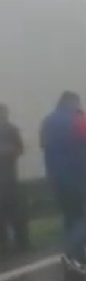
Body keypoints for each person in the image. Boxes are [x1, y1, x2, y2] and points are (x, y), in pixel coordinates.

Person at [40, 92, 86, 275]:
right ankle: (72, 251)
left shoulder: (47, 122)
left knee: (71, 216)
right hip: (78, 175)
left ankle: (76, 257)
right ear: (72, 102)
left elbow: (44, 145)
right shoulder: (77, 120)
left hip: (54, 177)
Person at [0, 105, 29, 253]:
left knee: (15, 211)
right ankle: (6, 244)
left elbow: (20, 149)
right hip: (6, 178)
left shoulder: (12, 130)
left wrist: (7, 150)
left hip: (10, 177)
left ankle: (21, 243)